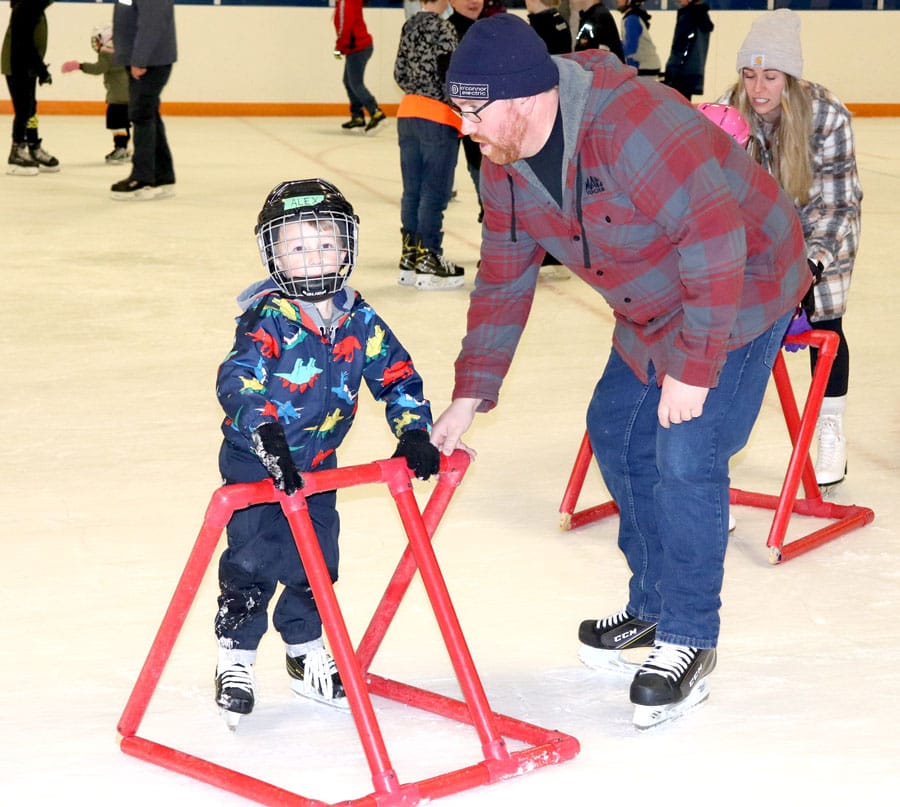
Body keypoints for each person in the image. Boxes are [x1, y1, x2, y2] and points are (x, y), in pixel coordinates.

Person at [435, 14, 810, 729]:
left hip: (742, 278)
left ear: (521, 99)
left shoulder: (631, 123)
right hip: (655, 298)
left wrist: (696, 369)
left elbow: (713, 236)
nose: (466, 126)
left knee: (687, 449)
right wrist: (470, 390)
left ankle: (690, 636)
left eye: (474, 110)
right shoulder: (504, 163)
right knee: (615, 426)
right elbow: (503, 277)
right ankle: (652, 606)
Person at [213, 178, 441, 726]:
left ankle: (303, 651)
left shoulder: (358, 319)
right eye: (296, 246)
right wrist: (264, 434)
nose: (312, 256)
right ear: (274, 254)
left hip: (318, 466)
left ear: (346, 248)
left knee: (317, 563)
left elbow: (398, 376)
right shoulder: (267, 319)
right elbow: (237, 379)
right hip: (256, 459)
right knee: (252, 560)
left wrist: (413, 431)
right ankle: (236, 658)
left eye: (324, 244)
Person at [719, 9, 862, 488]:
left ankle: (830, 425)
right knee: (736, 327)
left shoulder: (827, 115)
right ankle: (716, 436)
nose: (758, 88)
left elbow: (840, 205)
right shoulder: (728, 110)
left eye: (771, 77)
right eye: (749, 74)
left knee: (825, 323)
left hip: (823, 231)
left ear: (791, 78)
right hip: (759, 236)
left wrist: (812, 264)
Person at [394, 0, 465, 290]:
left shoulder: (409, 25)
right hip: (437, 117)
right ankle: (430, 258)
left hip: (407, 114)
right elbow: (451, 76)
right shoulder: (444, 28)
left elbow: (399, 73)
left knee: (412, 190)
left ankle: (410, 256)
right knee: (434, 192)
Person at [110, 0, 177, 201]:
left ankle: (143, 179)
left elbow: (152, 23)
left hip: (149, 62)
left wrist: (140, 59)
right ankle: (162, 176)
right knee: (148, 114)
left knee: (142, 114)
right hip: (139, 60)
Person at [2, 0, 59, 175]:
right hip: (17, 65)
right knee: (23, 109)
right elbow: (23, 43)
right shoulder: (27, 7)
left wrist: (38, 69)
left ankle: (33, 147)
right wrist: (41, 69)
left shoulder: (35, 7)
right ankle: (17, 151)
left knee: (30, 108)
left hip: (27, 67)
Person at [61, 25, 131, 164]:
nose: (96, 44)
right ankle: (124, 149)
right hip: (129, 95)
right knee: (124, 123)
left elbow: (99, 68)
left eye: (98, 40)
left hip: (118, 97)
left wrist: (80, 66)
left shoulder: (107, 53)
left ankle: (121, 149)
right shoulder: (124, 52)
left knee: (116, 122)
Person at [334, 0, 385, 133]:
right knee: (348, 81)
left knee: (355, 83)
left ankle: (375, 112)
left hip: (358, 48)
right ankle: (357, 116)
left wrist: (339, 48)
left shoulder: (346, 2)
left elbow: (345, 27)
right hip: (357, 47)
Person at [662, 0, 713, 102]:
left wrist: (671, 73)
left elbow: (680, 47)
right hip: (694, 73)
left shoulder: (687, 17)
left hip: (680, 74)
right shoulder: (702, 16)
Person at [615, 0, 660, 77]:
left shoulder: (631, 19)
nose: (617, 1)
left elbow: (631, 49)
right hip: (645, 66)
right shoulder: (631, 18)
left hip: (644, 67)